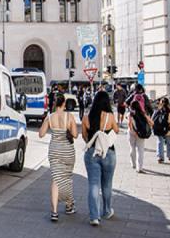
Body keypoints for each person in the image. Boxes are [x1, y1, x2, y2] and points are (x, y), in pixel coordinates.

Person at [82, 90, 120, 226]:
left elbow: (85, 136)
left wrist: (94, 138)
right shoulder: (110, 116)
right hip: (108, 153)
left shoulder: (86, 117)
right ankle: (107, 210)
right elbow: (116, 130)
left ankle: (94, 216)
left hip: (92, 153)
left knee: (93, 184)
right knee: (107, 184)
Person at [39, 93, 78, 222]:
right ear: (64, 104)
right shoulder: (70, 116)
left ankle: (54, 212)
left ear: (55, 104)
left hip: (54, 151)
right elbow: (75, 135)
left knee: (56, 179)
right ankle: (69, 205)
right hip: (67, 151)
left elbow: (41, 134)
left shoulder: (50, 117)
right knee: (67, 178)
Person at [127, 96, 153, 173]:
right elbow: (152, 123)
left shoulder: (130, 114)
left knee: (132, 148)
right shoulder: (143, 113)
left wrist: (134, 132)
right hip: (141, 133)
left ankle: (133, 164)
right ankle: (139, 167)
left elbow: (130, 125)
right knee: (140, 150)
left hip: (132, 133)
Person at [152, 97, 170, 163]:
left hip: (158, 129)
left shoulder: (157, 111)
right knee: (168, 141)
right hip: (167, 128)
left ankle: (160, 157)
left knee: (160, 141)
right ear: (168, 104)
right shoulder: (169, 111)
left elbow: (152, 119)